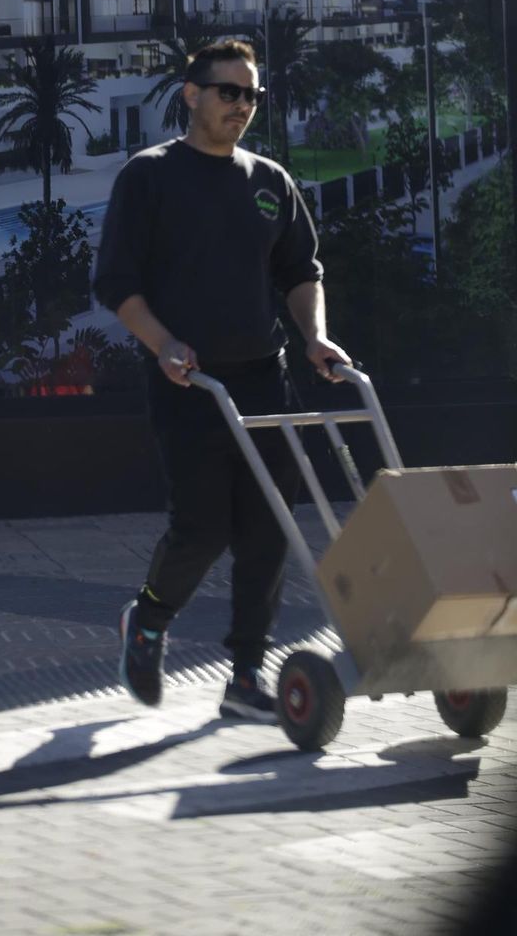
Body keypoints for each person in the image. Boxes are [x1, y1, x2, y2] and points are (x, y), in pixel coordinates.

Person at [93, 36, 351, 723]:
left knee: (267, 530)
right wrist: (165, 344)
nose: (243, 106)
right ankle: (147, 620)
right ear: (193, 95)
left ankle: (245, 675)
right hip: (189, 382)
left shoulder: (269, 181)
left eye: (253, 95)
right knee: (202, 527)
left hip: (263, 377)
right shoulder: (148, 177)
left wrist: (315, 336)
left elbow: (300, 271)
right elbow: (116, 283)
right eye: (230, 92)